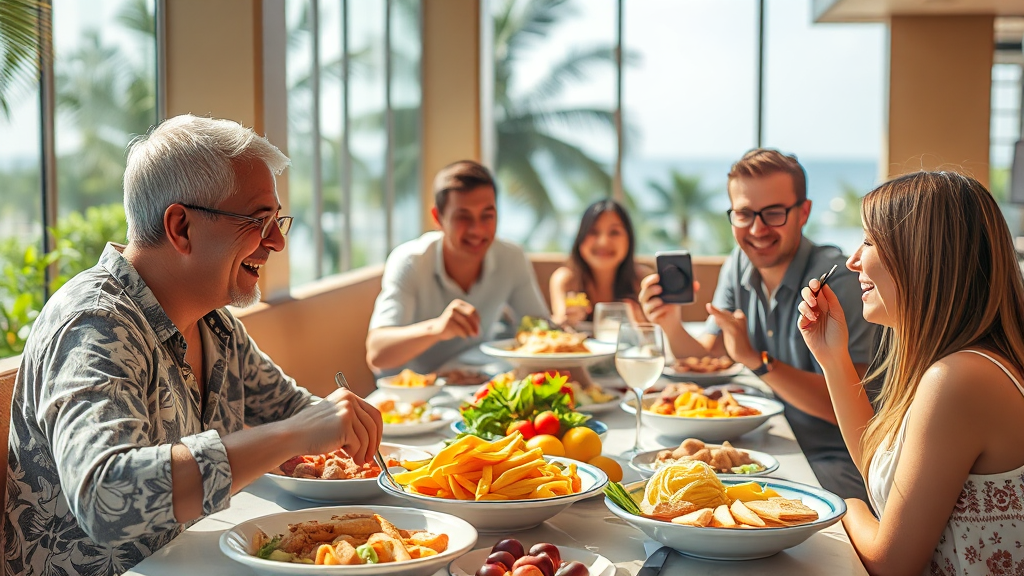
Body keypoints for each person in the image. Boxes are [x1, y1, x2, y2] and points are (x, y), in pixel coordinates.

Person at [4, 115, 383, 576]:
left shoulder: (213, 324)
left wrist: (338, 427)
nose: (279, 242)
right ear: (181, 226)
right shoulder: (94, 323)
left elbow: (294, 412)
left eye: (277, 220)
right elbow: (105, 495)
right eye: (259, 221)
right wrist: (299, 431)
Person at [797, 171, 1024, 575]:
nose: (852, 261)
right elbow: (880, 471)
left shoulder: (959, 379)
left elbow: (891, 564)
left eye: (868, 241)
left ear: (921, 255)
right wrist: (833, 357)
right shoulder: (960, 367)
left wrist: (844, 506)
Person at [638, 148, 878, 501]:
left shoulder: (839, 281)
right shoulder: (739, 264)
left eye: (774, 213)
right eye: (744, 214)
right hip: (765, 443)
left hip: (832, 458)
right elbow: (710, 354)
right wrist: (671, 325)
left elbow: (854, 404)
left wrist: (757, 361)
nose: (757, 229)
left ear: (804, 213)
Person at [365, 160, 549, 375]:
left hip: (477, 381)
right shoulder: (410, 261)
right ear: (438, 218)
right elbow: (377, 354)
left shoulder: (512, 257)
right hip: (415, 394)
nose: (477, 230)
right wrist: (438, 328)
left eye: (487, 215)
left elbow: (542, 331)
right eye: (463, 217)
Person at [549, 199, 648, 327]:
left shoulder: (643, 281)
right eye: (593, 232)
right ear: (580, 237)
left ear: (629, 239)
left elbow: (659, 336)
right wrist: (565, 320)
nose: (603, 242)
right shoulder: (566, 280)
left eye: (614, 232)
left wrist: (643, 322)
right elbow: (559, 326)